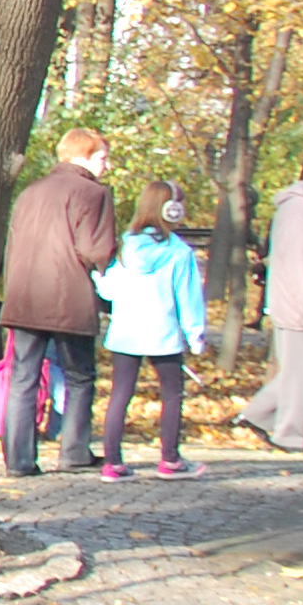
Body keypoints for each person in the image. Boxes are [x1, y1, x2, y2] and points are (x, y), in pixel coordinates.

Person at [0, 125, 118, 476]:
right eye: (102, 158)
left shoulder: (30, 192)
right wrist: (111, 256)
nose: (106, 166)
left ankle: (18, 459)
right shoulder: (93, 193)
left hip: (24, 297)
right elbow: (95, 249)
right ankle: (74, 451)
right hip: (69, 298)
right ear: (85, 157)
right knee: (80, 376)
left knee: (23, 378)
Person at [94, 181, 208, 480]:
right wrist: (195, 334)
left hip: (125, 333)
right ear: (171, 209)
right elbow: (188, 297)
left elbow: (109, 291)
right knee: (172, 394)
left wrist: (97, 277)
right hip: (163, 334)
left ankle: (112, 463)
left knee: (120, 394)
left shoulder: (126, 246)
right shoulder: (179, 252)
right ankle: (170, 459)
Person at [239, 154, 303, 453]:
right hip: (301, 306)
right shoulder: (302, 211)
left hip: (294, 302)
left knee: (298, 370)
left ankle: (257, 415)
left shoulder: (302, 208)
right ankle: (289, 434)